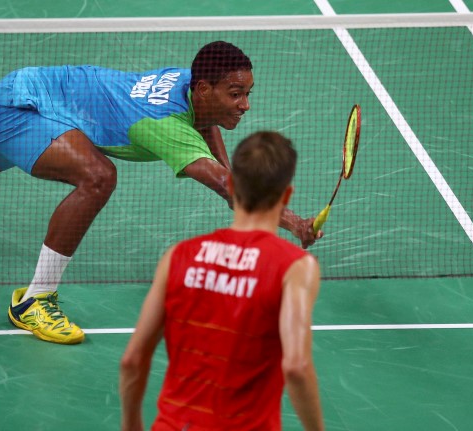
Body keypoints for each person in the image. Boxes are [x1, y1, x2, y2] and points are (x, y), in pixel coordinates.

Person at [0, 41, 322, 345]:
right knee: (98, 176)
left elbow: (208, 140)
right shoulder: (162, 126)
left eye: (247, 92)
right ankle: (33, 301)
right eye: (235, 94)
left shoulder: (186, 85)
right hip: (28, 107)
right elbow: (222, 181)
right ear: (203, 88)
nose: (245, 104)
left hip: (30, 91)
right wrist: (292, 222)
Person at [119, 131, 325, 431]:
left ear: (230, 184)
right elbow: (296, 366)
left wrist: (131, 425)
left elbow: (132, 361)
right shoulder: (294, 267)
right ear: (286, 195)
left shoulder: (178, 256)